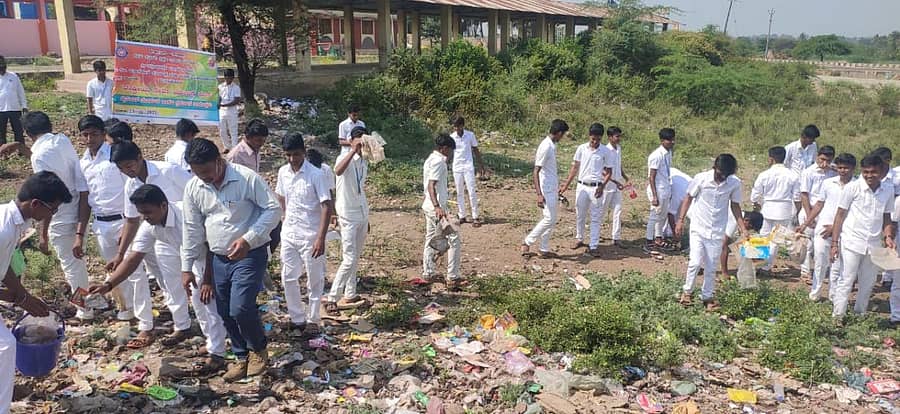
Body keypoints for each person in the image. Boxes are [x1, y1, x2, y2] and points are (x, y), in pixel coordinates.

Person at [88, 185, 228, 372]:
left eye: (148, 212)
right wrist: (108, 284)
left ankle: (218, 355)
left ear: (163, 206)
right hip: (192, 256)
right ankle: (212, 344)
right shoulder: (149, 225)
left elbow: (210, 246)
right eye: (141, 213)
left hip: (215, 254)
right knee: (197, 300)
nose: (145, 217)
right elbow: (133, 258)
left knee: (208, 301)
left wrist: (208, 281)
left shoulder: (187, 218)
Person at [182, 138, 280, 382]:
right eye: (196, 173)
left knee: (241, 306)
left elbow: (273, 209)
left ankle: (258, 349)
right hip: (218, 257)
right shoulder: (194, 188)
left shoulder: (245, 178)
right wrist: (186, 267)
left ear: (218, 161)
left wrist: (248, 238)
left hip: (248, 254)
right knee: (224, 310)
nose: (203, 177)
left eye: (206, 171)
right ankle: (240, 357)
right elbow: (191, 229)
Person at [6, 112, 93, 319]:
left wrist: (43, 234)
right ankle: (89, 300)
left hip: (59, 211)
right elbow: (49, 163)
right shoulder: (61, 140)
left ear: (28, 133)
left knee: (71, 264)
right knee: (76, 261)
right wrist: (21, 148)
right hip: (77, 207)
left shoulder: (39, 155)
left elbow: (46, 197)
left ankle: (84, 308)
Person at [110, 141, 194, 346]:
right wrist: (120, 254)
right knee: (170, 284)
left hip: (188, 230)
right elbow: (132, 220)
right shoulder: (131, 184)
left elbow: (195, 191)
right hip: (161, 236)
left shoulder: (168, 171)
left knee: (199, 283)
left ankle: (213, 325)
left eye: (129, 165)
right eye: (121, 168)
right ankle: (182, 325)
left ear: (140, 157)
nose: (127, 171)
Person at [0, 172, 66, 413]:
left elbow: (4, 264)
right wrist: (19, 298)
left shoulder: (15, 222)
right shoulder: (4, 229)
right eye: (53, 209)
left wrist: (22, 295)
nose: (53, 215)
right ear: (36, 204)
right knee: (5, 346)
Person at [77, 115, 135, 321]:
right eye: (85, 134)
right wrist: (79, 233)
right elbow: (84, 199)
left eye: (94, 134)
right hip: (101, 223)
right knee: (113, 269)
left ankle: (143, 315)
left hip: (124, 219)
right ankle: (126, 309)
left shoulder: (114, 155)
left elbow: (130, 187)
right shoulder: (82, 162)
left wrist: (130, 222)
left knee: (133, 269)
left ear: (103, 134)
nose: (89, 138)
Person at [275, 133, 333, 337]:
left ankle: (313, 319)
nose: (292, 159)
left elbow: (326, 205)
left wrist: (321, 237)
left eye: (296, 154)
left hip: (310, 235)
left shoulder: (316, 175)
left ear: (304, 152)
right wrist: (286, 217)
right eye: (288, 155)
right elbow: (281, 196)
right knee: (288, 277)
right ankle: (297, 317)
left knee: (314, 279)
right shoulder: (283, 172)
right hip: (290, 232)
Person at [675, 154, 747, 310]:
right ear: (715, 167)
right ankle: (687, 292)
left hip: (716, 231)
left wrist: (743, 228)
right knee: (695, 262)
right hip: (698, 228)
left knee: (711, 266)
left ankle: (707, 296)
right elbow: (688, 198)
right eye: (720, 175)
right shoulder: (701, 178)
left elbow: (735, 206)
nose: (722, 179)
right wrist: (680, 220)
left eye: (725, 176)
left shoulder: (734, 183)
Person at [830, 154, 896, 320]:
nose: (869, 176)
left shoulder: (887, 190)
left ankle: (859, 316)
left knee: (868, 283)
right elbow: (839, 215)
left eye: (873, 172)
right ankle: (838, 317)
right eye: (865, 172)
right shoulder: (852, 188)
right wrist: (834, 243)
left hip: (873, 245)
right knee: (847, 279)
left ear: (881, 172)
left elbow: (887, 217)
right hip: (851, 241)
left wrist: (888, 236)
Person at [797, 153, 856, 301]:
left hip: (844, 230)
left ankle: (833, 295)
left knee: (836, 265)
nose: (843, 171)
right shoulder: (829, 183)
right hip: (822, 228)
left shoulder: (857, 186)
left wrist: (835, 227)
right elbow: (819, 204)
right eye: (840, 167)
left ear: (853, 169)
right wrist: (805, 224)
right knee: (820, 262)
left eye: (846, 168)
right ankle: (815, 293)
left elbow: (854, 211)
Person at [326, 126, 369, 312]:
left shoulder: (363, 161)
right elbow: (337, 170)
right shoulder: (345, 157)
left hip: (361, 211)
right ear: (351, 140)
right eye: (358, 139)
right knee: (349, 258)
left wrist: (366, 217)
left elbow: (361, 188)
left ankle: (350, 293)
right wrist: (352, 150)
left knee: (356, 256)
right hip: (347, 214)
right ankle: (333, 297)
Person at [559, 123, 612, 256]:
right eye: (593, 139)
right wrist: (565, 185)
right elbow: (574, 168)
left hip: (596, 188)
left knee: (595, 217)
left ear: (601, 138)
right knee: (580, 215)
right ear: (589, 136)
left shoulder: (605, 151)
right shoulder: (581, 148)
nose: (595, 142)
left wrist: (602, 186)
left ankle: (593, 245)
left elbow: (609, 172)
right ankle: (579, 238)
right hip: (582, 186)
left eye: (598, 139)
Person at [521, 120, 569, 258]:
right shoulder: (546, 146)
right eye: (563, 134)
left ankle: (544, 248)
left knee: (551, 219)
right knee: (549, 219)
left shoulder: (551, 146)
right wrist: (539, 194)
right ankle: (527, 241)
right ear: (559, 133)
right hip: (546, 189)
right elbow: (536, 171)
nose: (562, 137)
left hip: (551, 187)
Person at [751, 146, 800, 273]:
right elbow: (796, 197)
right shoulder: (792, 175)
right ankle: (766, 266)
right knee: (775, 240)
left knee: (763, 235)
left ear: (771, 159)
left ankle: (758, 263)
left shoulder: (764, 174)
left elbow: (755, 194)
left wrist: (756, 205)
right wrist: (797, 212)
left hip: (768, 208)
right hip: (784, 209)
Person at [422, 133, 463, 285]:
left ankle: (429, 272)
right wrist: (437, 206)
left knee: (431, 238)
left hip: (430, 206)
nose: (451, 154)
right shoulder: (439, 162)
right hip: (435, 209)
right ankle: (453, 277)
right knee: (454, 239)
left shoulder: (431, 159)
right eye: (450, 150)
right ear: (444, 148)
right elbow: (431, 185)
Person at [797, 146, 836, 283]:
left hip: (825, 213)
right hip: (810, 209)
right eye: (822, 159)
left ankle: (823, 272)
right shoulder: (808, 172)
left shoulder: (833, 172)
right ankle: (805, 272)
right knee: (807, 243)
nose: (824, 164)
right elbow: (804, 194)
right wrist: (809, 217)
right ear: (817, 157)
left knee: (822, 244)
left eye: (828, 161)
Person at [644, 128, 675, 254]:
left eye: (673, 139)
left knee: (662, 216)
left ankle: (658, 238)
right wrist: (655, 196)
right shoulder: (656, 155)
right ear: (662, 141)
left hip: (666, 187)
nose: (672, 142)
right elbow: (651, 177)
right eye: (669, 140)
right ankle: (648, 241)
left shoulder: (668, 153)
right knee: (654, 215)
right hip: (658, 189)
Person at [450, 116, 485, 227]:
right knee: (459, 192)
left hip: (468, 166)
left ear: (462, 125)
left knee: (471, 191)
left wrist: (480, 165)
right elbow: (450, 152)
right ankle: (462, 215)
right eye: (454, 126)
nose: (455, 128)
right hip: (457, 167)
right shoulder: (452, 137)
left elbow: (475, 150)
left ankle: (475, 216)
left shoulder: (470, 135)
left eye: (457, 126)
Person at [598, 126, 629, 248]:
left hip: (617, 185)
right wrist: (615, 181)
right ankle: (596, 234)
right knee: (602, 210)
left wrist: (625, 177)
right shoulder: (605, 150)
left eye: (619, 136)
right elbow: (603, 171)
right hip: (607, 186)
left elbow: (618, 165)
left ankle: (616, 237)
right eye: (617, 136)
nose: (619, 138)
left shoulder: (618, 149)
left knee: (618, 211)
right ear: (610, 137)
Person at [719, 211, 764, 278]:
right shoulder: (734, 221)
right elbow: (723, 246)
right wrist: (725, 273)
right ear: (746, 220)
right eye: (749, 228)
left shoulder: (742, 217)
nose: (748, 230)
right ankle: (723, 271)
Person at [0, 56, 27, 145]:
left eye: (2, 64)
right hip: (1, 110)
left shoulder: (13, 76)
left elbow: (20, 91)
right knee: (1, 132)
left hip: (14, 108)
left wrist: (24, 106)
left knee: (18, 131)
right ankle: (2, 152)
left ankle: (21, 150)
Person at [665, 167, 692, 247]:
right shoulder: (678, 195)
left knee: (678, 212)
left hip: (676, 180)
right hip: (663, 184)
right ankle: (664, 235)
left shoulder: (694, 191)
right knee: (663, 211)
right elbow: (670, 213)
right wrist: (675, 232)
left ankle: (673, 233)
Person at [217, 69, 242, 151]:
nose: (229, 79)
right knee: (222, 130)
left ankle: (234, 149)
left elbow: (236, 100)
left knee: (233, 130)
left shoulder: (236, 88)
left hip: (232, 111)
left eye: (230, 78)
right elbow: (219, 97)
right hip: (222, 111)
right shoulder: (220, 86)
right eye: (227, 77)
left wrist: (224, 104)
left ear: (233, 78)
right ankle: (227, 147)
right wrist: (219, 104)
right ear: (224, 77)